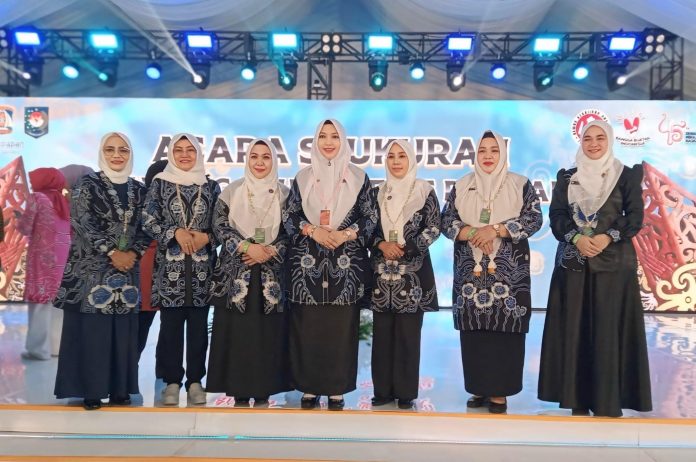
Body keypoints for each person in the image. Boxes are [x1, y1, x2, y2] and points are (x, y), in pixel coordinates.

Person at [538, 120, 652, 417]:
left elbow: (635, 215)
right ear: (580, 142)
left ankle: (607, 400)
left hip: (613, 265)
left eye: (600, 138)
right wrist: (576, 238)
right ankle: (577, 398)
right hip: (574, 265)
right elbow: (557, 215)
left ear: (609, 140)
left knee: (607, 332)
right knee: (575, 331)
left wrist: (607, 237)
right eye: (587, 138)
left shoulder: (625, 175)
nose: (594, 144)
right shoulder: (567, 177)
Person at [441, 130, 542, 414]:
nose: (487, 156)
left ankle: (500, 392)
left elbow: (534, 219)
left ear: (503, 154)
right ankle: (478, 387)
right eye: (482, 150)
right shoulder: (463, 185)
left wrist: (495, 229)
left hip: (509, 276)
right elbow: (446, 221)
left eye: (494, 150)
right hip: (470, 274)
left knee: (505, 330)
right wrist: (474, 232)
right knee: (474, 332)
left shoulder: (520, 184)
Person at [283, 119, 378, 410]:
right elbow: (289, 216)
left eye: (334, 136)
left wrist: (345, 234)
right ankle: (309, 387)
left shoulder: (359, 177)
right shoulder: (302, 177)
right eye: (322, 136)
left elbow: (371, 217)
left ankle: (337, 389)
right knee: (308, 329)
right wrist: (313, 230)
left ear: (343, 141)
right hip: (307, 268)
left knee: (341, 330)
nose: (328, 142)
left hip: (346, 268)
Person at [54, 132, 149, 410]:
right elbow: (82, 221)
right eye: (110, 149)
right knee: (93, 331)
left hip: (126, 272)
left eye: (123, 150)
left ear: (130, 154)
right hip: (90, 271)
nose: (117, 155)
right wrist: (112, 252)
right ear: (102, 153)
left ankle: (120, 389)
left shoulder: (139, 189)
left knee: (122, 332)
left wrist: (133, 253)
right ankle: (91, 391)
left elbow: (147, 227)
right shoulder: (87, 184)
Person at [207, 139, 291, 406]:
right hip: (236, 274)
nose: (259, 162)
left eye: (266, 157)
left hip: (271, 276)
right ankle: (239, 391)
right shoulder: (231, 191)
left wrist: (270, 250)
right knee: (238, 334)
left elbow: (292, 231)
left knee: (266, 334)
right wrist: (247, 247)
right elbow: (219, 226)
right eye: (254, 156)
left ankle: (264, 390)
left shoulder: (286, 194)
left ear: (274, 161)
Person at [142, 134, 220, 407]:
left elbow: (222, 224)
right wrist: (174, 232)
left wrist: (207, 237)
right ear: (171, 154)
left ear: (198, 153)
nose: (185, 155)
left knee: (199, 331)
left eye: (190, 150)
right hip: (169, 272)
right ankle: (172, 382)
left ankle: (196, 381)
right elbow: (148, 219)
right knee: (170, 330)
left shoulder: (211, 187)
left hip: (202, 272)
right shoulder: (160, 184)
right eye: (179, 150)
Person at [369, 140, 440, 410]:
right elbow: (366, 228)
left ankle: (406, 392)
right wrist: (381, 244)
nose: (396, 161)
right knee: (382, 335)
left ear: (411, 159)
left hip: (413, 275)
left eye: (402, 156)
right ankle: (382, 391)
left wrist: (406, 247)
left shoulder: (424, 191)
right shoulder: (376, 193)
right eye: (391, 156)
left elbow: (434, 227)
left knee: (409, 336)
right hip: (381, 274)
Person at [16, 168, 71, 360]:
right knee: (57, 303)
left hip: (43, 257)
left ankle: (38, 350)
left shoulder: (37, 198)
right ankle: (56, 348)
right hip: (63, 257)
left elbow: (25, 227)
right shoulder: (64, 200)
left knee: (39, 303)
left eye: (34, 180)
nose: (32, 184)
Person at [137, 160, 168, 377]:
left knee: (169, 328)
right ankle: (129, 372)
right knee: (141, 325)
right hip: (147, 268)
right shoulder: (141, 200)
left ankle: (165, 376)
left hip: (171, 269)